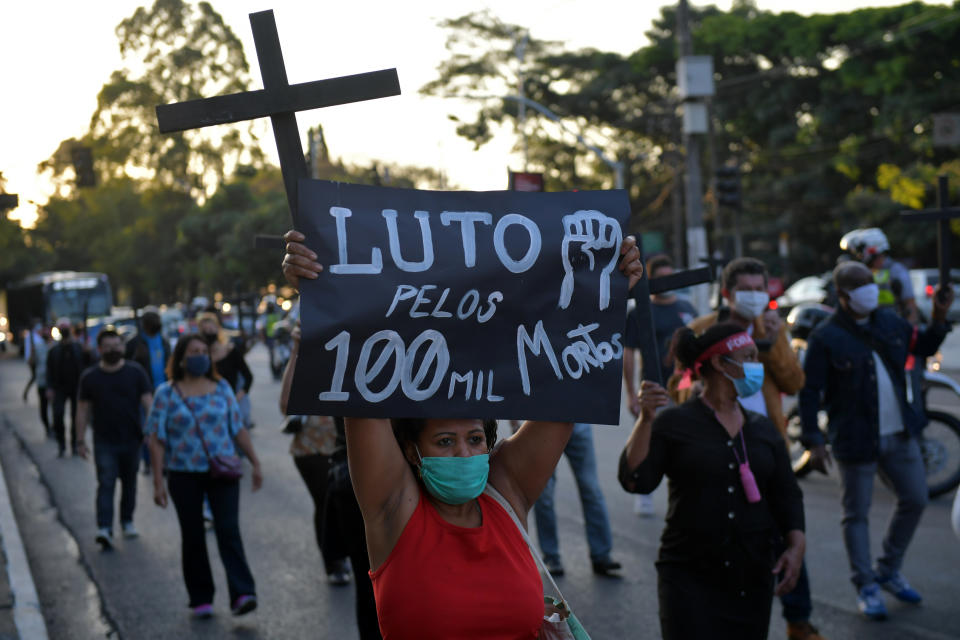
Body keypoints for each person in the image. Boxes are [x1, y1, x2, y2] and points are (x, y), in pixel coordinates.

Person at [281, 228, 644, 638]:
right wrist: (322, 286)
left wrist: (605, 294)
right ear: (412, 453)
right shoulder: (392, 508)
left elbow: (568, 384)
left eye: (474, 439)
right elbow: (359, 383)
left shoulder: (506, 491)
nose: (463, 454)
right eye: (444, 441)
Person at [667, 257, 822, 640]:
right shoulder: (700, 330)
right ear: (727, 293)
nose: (754, 297)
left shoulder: (771, 329)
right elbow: (676, 387)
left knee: (788, 531)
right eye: (746, 290)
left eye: (759, 289)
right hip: (717, 448)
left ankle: (798, 621)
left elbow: (795, 381)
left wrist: (769, 344)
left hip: (765, 446)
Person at [620, 323, 806, 640]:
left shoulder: (762, 429)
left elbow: (787, 493)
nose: (756, 366)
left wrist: (796, 546)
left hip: (751, 576)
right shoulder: (675, 422)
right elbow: (636, 480)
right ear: (720, 363)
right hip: (688, 578)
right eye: (748, 357)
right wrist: (646, 421)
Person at [798, 261, 952, 620]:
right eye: (858, 284)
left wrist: (939, 315)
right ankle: (866, 584)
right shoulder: (825, 337)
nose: (868, 289)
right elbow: (809, 393)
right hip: (855, 440)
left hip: (899, 433)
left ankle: (888, 569)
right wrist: (813, 440)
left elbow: (924, 345)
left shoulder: (889, 321)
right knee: (856, 514)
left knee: (915, 498)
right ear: (842, 294)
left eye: (869, 282)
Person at [146, 334, 263, 618]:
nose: (200, 355)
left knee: (228, 530)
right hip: (184, 475)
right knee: (193, 535)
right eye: (193, 351)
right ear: (182, 358)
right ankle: (200, 596)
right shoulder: (166, 393)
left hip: (222, 472)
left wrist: (255, 463)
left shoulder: (221, 386)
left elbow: (238, 428)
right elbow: (156, 440)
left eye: (204, 351)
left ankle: (242, 593)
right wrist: (158, 482)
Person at [280, 325, 381, 640]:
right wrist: (300, 347)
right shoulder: (329, 345)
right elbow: (288, 404)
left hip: (395, 472)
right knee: (372, 586)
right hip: (341, 469)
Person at [622, 254, 696, 517]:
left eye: (670, 277)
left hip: (685, 391)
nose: (667, 283)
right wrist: (631, 393)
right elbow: (628, 353)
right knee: (648, 442)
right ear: (651, 279)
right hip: (654, 390)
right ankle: (644, 493)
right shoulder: (641, 310)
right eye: (661, 278)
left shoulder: (687, 309)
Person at [278, 322, 350, 585]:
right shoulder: (308, 359)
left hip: (349, 447)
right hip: (312, 449)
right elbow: (286, 404)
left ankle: (347, 553)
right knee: (327, 499)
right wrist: (298, 348)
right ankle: (334, 560)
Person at [75, 329, 153, 548]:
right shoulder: (90, 377)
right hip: (104, 441)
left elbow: (148, 402)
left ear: (123, 347)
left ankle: (127, 521)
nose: (113, 350)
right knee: (106, 483)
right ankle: (104, 528)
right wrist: (79, 440)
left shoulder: (135, 372)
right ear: (99, 349)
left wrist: (151, 430)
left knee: (130, 484)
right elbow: (82, 410)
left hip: (132, 439)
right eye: (107, 346)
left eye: (116, 345)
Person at [533, 423, 622, 577]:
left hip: (578, 422)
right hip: (543, 423)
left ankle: (601, 555)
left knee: (591, 488)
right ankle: (551, 556)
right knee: (544, 493)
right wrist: (515, 423)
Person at [839, 227, 919, 324]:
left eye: (859, 251)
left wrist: (909, 332)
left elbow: (910, 304)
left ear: (871, 249)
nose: (858, 255)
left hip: (892, 327)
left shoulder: (896, 271)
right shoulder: (863, 272)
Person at [125, 308, 170, 473]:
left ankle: (164, 460)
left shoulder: (163, 342)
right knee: (147, 428)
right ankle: (148, 460)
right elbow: (126, 366)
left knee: (164, 426)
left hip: (163, 391)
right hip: (144, 393)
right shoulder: (134, 344)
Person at [46, 319, 92, 457]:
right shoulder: (54, 350)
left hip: (76, 387)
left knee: (75, 416)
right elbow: (49, 370)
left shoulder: (78, 347)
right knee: (58, 415)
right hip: (59, 388)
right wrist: (49, 388)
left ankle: (74, 444)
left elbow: (88, 364)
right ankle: (61, 444)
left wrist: (88, 352)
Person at [196, 312, 253, 411]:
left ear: (218, 329)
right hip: (207, 407)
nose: (208, 333)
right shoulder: (201, 356)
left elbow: (248, 377)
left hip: (229, 406)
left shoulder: (230, 351)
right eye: (205, 330)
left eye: (211, 329)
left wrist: (236, 399)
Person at [31, 326, 53, 437]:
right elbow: (31, 362)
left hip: (54, 382)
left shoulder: (54, 346)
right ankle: (47, 428)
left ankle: (54, 427)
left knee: (55, 407)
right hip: (42, 381)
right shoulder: (37, 346)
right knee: (44, 406)